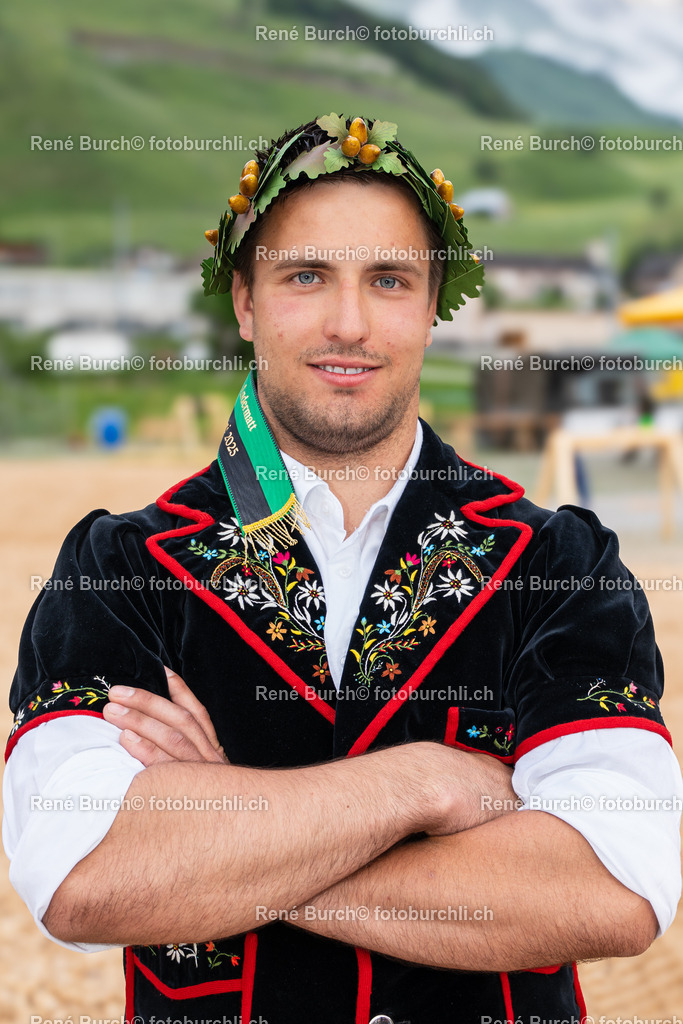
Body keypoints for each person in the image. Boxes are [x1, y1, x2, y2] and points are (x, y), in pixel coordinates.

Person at [4, 114, 682, 1024]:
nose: (349, 323)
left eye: (388, 280)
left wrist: (221, 845)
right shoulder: (122, 568)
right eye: (306, 276)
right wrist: (428, 785)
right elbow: (82, 875)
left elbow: (614, 888)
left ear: (432, 303)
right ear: (244, 299)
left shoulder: (559, 565)